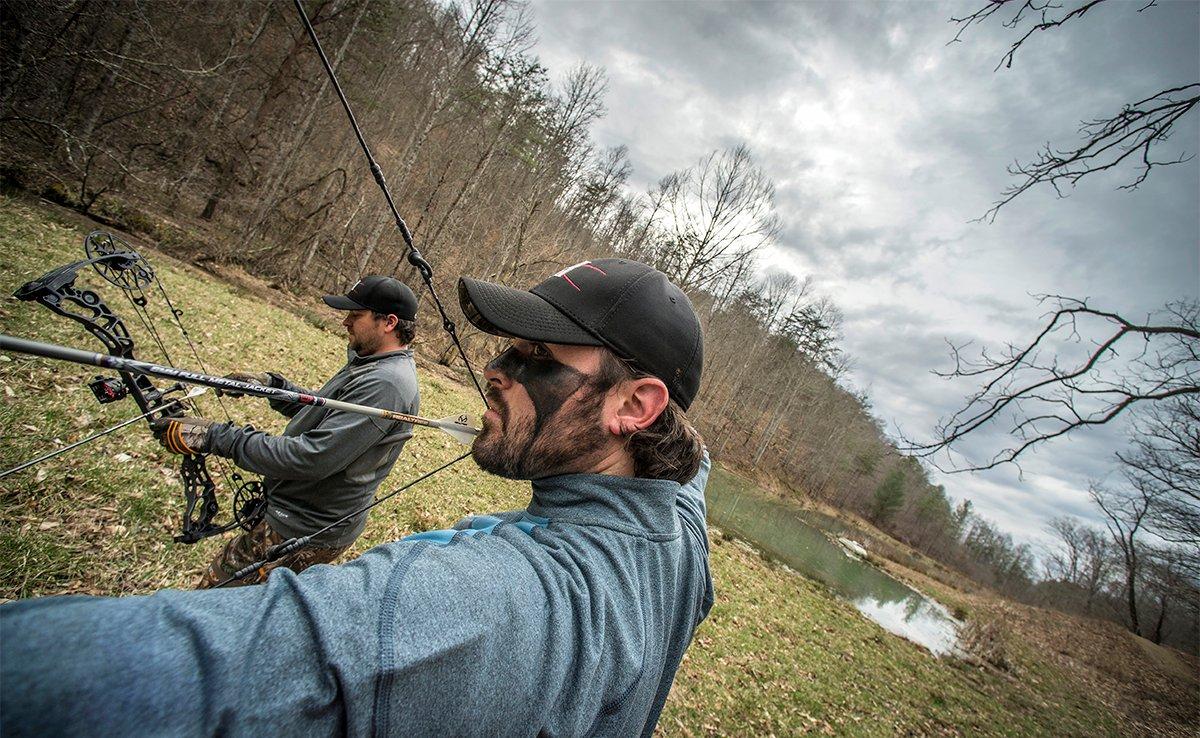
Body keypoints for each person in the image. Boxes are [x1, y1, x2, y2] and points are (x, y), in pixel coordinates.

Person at [0, 258, 713, 737]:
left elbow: (209, 669)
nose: (493, 371)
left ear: (637, 405)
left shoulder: (484, 598)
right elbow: (695, 467)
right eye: (503, 349)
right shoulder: (679, 531)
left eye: (533, 358)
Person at [153, 275, 421, 586]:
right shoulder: (370, 362)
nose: (345, 322)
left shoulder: (386, 383)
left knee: (209, 608)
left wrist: (213, 437)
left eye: (355, 315)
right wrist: (273, 388)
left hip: (303, 529)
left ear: (388, 322)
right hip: (296, 516)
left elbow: (311, 458)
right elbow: (323, 413)